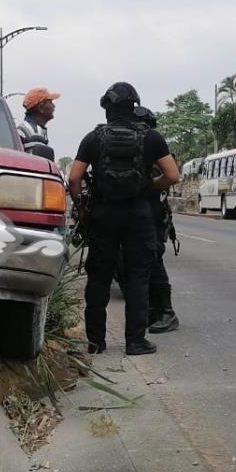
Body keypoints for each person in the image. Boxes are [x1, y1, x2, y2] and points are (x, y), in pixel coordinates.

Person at [68, 82, 180, 355]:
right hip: (139, 214)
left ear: (107, 108)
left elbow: (74, 178)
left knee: (99, 277)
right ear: (134, 106)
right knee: (138, 278)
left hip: (104, 214)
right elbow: (173, 176)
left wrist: (82, 206)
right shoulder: (152, 137)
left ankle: (96, 342)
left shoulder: (93, 138)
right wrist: (148, 187)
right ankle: (135, 341)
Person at [132, 106, 180, 334]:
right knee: (144, 263)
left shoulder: (153, 144)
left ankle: (166, 312)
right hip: (141, 212)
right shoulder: (134, 144)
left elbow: (171, 176)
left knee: (153, 261)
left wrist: (148, 187)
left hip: (152, 212)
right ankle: (153, 310)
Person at [17, 88, 60, 152]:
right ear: (41, 108)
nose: (54, 106)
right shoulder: (34, 131)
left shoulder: (26, 128)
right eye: (50, 102)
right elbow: (35, 160)